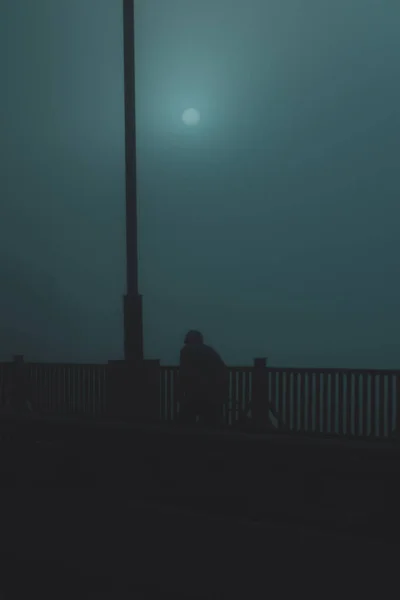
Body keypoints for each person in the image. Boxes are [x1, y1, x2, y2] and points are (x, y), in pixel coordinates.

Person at [178, 330, 228, 427]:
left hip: (195, 389)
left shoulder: (186, 350)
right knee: (211, 418)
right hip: (211, 390)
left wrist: (181, 389)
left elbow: (184, 371)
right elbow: (222, 369)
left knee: (187, 416)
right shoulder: (209, 350)